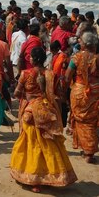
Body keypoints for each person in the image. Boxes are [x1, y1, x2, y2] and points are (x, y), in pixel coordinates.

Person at [10, 46, 77, 191]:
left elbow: (16, 93)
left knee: (31, 144)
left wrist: (28, 97)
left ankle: (35, 180)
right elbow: (59, 94)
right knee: (48, 145)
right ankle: (51, 175)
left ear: (32, 59)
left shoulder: (25, 74)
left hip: (30, 114)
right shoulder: (52, 75)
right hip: (47, 112)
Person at [65, 31, 99, 163]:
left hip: (79, 91)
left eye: (80, 41)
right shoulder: (97, 58)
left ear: (84, 44)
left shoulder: (76, 57)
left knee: (80, 120)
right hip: (95, 91)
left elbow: (68, 75)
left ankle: (88, 151)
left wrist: (65, 91)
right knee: (91, 120)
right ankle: (88, 151)